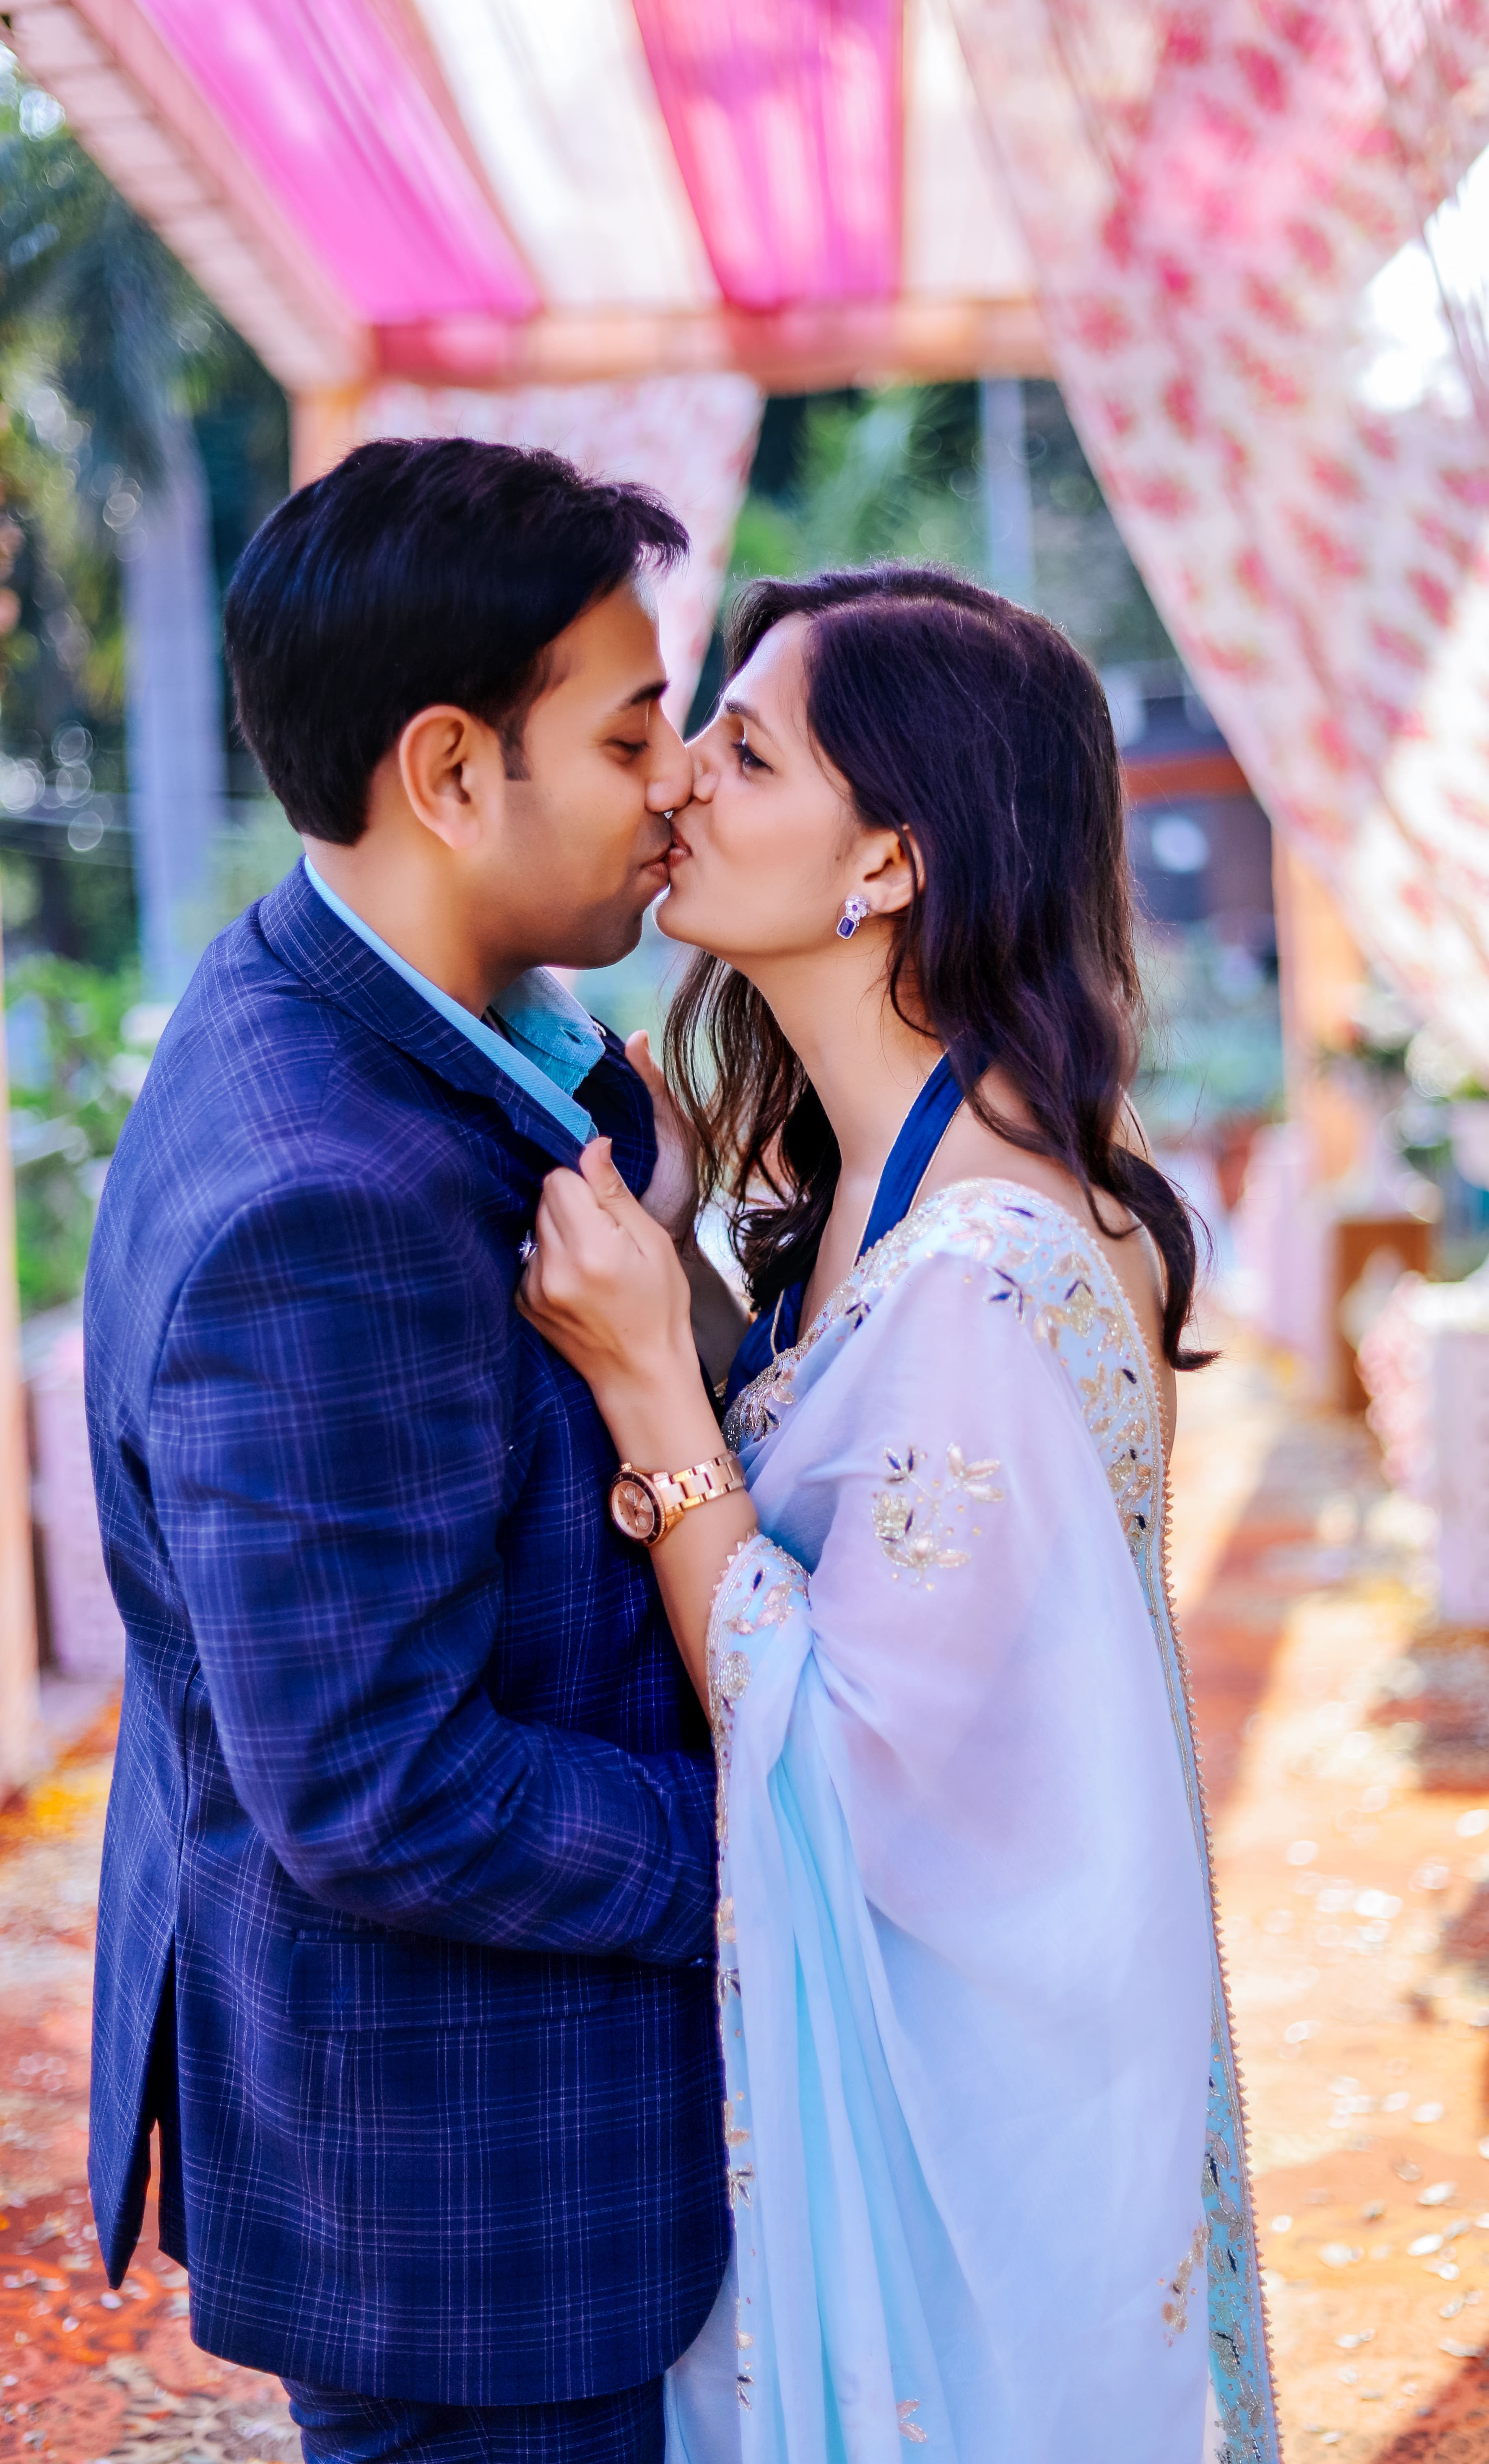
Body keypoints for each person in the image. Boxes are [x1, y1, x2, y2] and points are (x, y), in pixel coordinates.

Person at [517, 567, 1281, 2463]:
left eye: (748, 752)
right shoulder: (888, 1181)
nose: (680, 779)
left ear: (889, 861)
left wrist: (653, 1391)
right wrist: (700, 1291)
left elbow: (856, 1764)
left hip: (977, 2123)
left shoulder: (982, 1266)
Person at [84, 437, 743, 2464]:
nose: (681, 783)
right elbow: (382, 1785)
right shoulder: (323, 1201)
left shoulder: (403, 1010)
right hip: (468, 2199)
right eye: (631, 735)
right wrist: (790, 1844)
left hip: (457, 2120)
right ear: (452, 773)